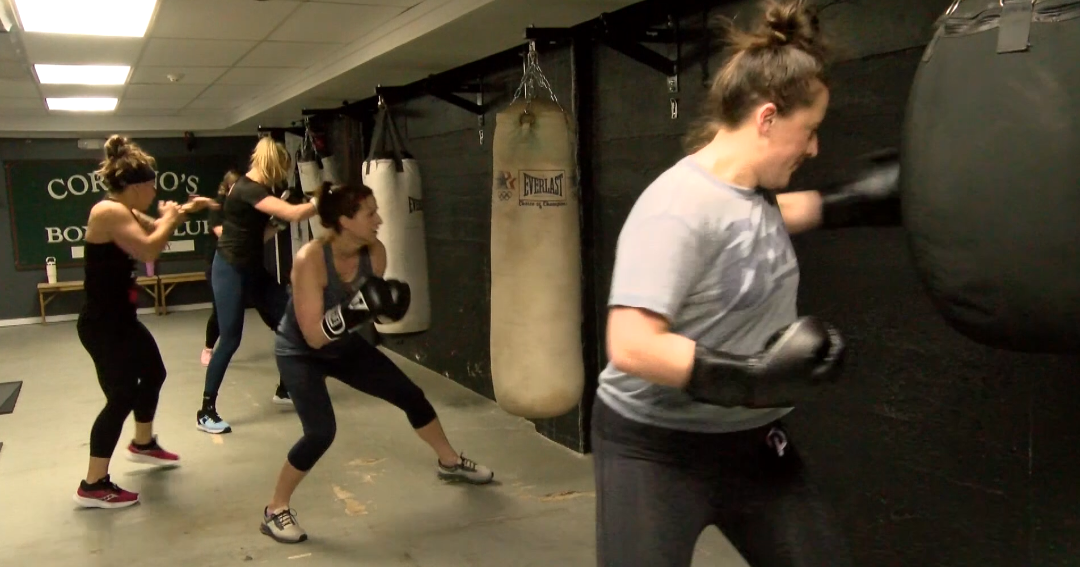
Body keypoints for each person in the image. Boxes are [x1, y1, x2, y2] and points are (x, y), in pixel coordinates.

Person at [591, 1, 899, 565]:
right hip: (655, 447)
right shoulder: (676, 208)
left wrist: (853, 204)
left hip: (752, 443)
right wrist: (750, 377)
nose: (814, 148)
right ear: (766, 118)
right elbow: (630, 343)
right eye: (808, 131)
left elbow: (765, 219)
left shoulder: (748, 192)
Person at [259, 181, 494, 544]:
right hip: (300, 352)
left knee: (411, 395)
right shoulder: (310, 260)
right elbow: (314, 337)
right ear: (344, 220)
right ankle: (275, 509)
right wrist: (358, 311)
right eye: (370, 213)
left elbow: (368, 313)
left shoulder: (376, 253)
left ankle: (449, 462)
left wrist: (381, 309)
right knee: (320, 432)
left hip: (343, 345)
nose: (380, 219)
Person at [74, 135, 219, 508]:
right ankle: (93, 484)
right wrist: (171, 218)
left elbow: (155, 231)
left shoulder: (126, 211)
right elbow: (151, 248)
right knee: (121, 395)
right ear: (137, 186)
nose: (155, 192)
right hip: (103, 325)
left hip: (121, 321)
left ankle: (143, 443)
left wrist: (185, 211)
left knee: (154, 373)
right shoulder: (108, 212)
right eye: (152, 186)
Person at [198, 137, 318, 434]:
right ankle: (206, 412)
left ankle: (284, 389)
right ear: (274, 165)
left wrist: (276, 226)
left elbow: (258, 235)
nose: (281, 176)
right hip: (229, 269)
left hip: (251, 268)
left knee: (289, 322)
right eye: (281, 169)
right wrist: (322, 200)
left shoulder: (256, 190)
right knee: (230, 339)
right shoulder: (248, 188)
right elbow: (292, 213)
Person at [201, 169, 241, 366]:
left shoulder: (241, 205)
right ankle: (209, 348)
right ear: (227, 188)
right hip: (217, 264)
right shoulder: (217, 206)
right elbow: (222, 233)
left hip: (239, 263)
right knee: (219, 310)